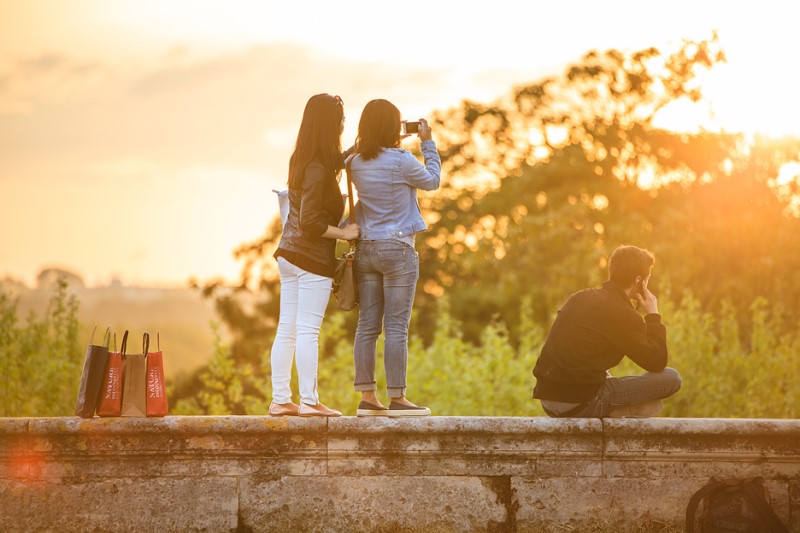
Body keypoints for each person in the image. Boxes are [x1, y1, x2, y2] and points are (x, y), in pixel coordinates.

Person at [346, 99, 441, 417]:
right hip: (398, 248)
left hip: (367, 250)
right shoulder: (401, 159)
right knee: (396, 327)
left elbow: (345, 157)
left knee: (367, 325)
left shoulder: (354, 162)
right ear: (394, 128)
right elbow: (432, 181)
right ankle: (398, 399)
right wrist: (427, 143)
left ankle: (367, 398)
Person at [269, 93, 360, 417]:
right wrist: (344, 233)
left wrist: (357, 149)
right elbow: (310, 223)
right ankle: (309, 401)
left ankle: (281, 400)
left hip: (289, 256)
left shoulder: (305, 159)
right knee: (307, 330)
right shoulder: (319, 169)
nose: (343, 126)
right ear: (330, 126)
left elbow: (329, 165)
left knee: (287, 329)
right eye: (341, 122)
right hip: (310, 260)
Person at [532, 245, 682, 418]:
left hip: (548, 400)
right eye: (647, 279)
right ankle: (618, 410)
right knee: (671, 378)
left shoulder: (579, 298)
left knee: (603, 373)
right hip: (580, 403)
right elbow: (657, 361)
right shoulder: (624, 314)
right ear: (638, 280)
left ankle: (613, 406)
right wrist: (653, 315)